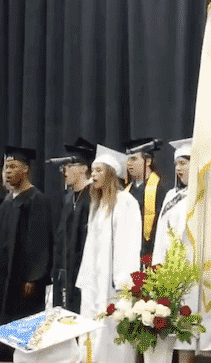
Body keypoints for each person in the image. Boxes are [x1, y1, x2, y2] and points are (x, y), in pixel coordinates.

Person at [152, 139, 211, 357]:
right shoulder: (171, 196)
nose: (179, 169)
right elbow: (161, 234)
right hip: (171, 269)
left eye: (184, 163)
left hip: (196, 268)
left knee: (190, 329)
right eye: (176, 164)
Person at [76, 144, 142, 363]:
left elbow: (130, 243)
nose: (93, 175)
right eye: (92, 171)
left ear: (111, 174)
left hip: (114, 281)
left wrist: (124, 281)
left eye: (98, 170)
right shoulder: (97, 204)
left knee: (112, 331)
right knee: (92, 328)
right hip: (94, 279)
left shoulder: (126, 202)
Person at [0, 146, 53, 361]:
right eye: (6, 166)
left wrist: (34, 277)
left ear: (25, 170)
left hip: (23, 283)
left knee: (22, 328)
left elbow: (41, 242)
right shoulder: (6, 202)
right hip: (1, 280)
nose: (7, 171)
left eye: (13, 166)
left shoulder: (36, 200)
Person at [51, 137, 95, 313]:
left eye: (69, 166)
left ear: (84, 168)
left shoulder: (93, 196)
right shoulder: (68, 198)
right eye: (64, 167)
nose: (65, 171)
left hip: (85, 272)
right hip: (66, 271)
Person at [124, 138, 165, 260]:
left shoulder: (160, 189)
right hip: (128, 252)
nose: (128, 163)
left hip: (150, 253)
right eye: (127, 159)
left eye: (133, 159)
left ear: (148, 161)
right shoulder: (126, 191)